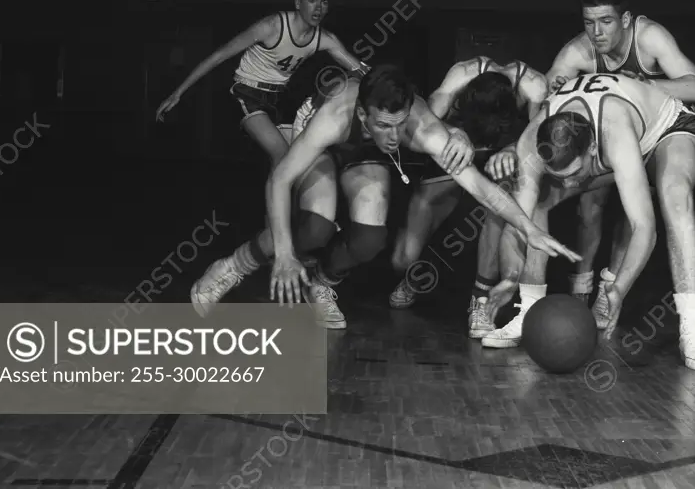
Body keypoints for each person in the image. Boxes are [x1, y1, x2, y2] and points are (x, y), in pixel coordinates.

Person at [196, 65, 579, 328]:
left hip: (362, 152)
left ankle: (323, 284)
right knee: (314, 227)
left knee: (370, 237)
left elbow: (481, 188)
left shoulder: (420, 127)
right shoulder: (335, 115)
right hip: (321, 141)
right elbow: (278, 181)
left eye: (399, 125)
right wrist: (281, 255)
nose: (394, 137)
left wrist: (528, 228)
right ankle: (231, 266)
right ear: (363, 114)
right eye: (383, 125)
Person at [482, 68, 695, 372]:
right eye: (559, 176)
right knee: (534, 200)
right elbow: (518, 225)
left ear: (592, 147)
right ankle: (526, 311)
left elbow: (644, 228)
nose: (568, 186)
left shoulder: (614, 131)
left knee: (676, 196)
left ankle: (691, 327)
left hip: (665, 128)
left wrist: (619, 287)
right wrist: (510, 277)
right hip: (607, 139)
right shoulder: (531, 142)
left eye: (573, 175)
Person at [543, 0, 695, 320]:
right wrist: (553, 89)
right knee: (589, 204)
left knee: (664, 200)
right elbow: (546, 94)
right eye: (589, 22)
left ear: (626, 19)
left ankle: (682, 321)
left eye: (605, 21)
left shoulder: (649, 37)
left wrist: (643, 83)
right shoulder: (578, 51)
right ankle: (581, 289)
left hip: (664, 131)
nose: (596, 32)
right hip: (618, 135)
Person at [388, 57, 548, 339]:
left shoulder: (533, 85)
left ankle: (481, 297)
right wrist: (454, 132)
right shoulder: (462, 73)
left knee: (501, 199)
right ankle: (413, 277)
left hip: (501, 155)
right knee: (403, 257)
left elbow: (538, 136)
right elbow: (426, 120)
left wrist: (512, 148)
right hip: (454, 151)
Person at [155, 0, 367, 165]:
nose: (318, 9)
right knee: (283, 155)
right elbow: (219, 56)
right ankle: (276, 209)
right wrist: (177, 93)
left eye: (324, 3)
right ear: (298, 3)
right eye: (312, 1)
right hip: (246, 94)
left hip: (278, 99)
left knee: (308, 158)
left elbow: (361, 71)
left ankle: (292, 208)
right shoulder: (271, 27)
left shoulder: (325, 39)